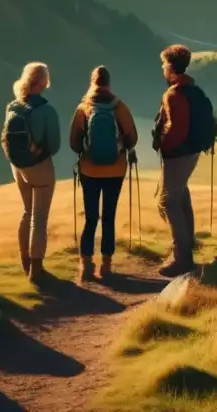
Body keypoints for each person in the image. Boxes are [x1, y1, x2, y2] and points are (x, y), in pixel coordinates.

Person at [69, 66, 139, 283]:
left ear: (92, 82)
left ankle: (86, 265)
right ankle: (106, 265)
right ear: (109, 83)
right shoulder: (119, 107)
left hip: (89, 170)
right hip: (115, 170)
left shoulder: (84, 108)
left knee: (90, 218)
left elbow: (74, 142)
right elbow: (132, 137)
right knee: (108, 217)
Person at [6, 62, 61, 282]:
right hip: (39, 166)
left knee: (27, 211)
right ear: (43, 82)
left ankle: (25, 261)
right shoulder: (47, 110)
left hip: (17, 166)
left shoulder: (13, 106)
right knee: (39, 218)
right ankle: (36, 271)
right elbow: (54, 145)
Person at [153, 44, 203, 277]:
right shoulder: (192, 89)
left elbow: (176, 129)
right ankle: (187, 247)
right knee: (181, 195)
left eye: (163, 65)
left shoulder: (173, 94)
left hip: (178, 154)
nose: (162, 69)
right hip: (192, 151)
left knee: (167, 202)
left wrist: (162, 143)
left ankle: (182, 257)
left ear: (171, 67)